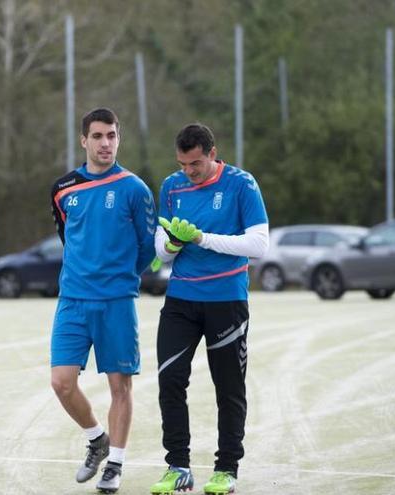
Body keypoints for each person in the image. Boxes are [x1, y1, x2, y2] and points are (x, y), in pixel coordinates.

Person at [148, 123, 269, 495]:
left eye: (196, 163)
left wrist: (201, 238)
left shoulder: (241, 184)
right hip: (181, 299)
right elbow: (160, 249)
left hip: (227, 300)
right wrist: (172, 245)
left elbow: (259, 244)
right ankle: (177, 467)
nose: (189, 171)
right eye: (183, 164)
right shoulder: (172, 186)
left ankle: (227, 469)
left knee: (228, 387)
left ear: (212, 153)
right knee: (170, 380)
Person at [49, 107, 156, 493]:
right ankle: (97, 439)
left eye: (112, 135)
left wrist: (120, 276)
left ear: (118, 138)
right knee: (61, 382)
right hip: (73, 301)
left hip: (116, 301)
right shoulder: (63, 189)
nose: (106, 143)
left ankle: (116, 464)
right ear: (84, 141)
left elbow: (147, 248)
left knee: (119, 387)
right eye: (98, 136)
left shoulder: (134, 188)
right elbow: (68, 236)